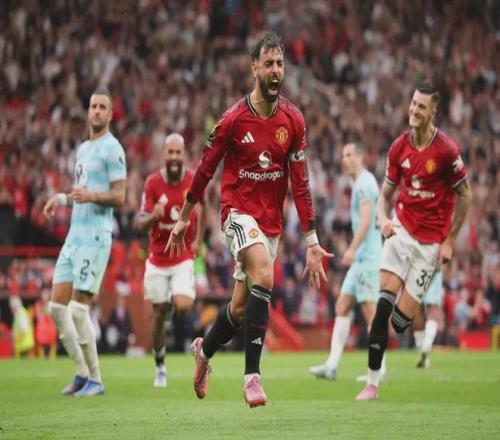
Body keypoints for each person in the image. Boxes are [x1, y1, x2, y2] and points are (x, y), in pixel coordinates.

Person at [166, 32, 332, 408]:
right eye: (268, 63)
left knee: (239, 310)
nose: (275, 71)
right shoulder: (232, 120)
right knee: (265, 275)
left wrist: (312, 240)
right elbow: (204, 170)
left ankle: (204, 352)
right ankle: (252, 378)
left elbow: (301, 183)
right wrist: (184, 217)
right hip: (237, 214)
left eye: (280, 64)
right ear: (253, 67)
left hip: (270, 224)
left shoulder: (294, 120)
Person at [356, 84, 471, 400]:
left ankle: (407, 324)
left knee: (400, 322)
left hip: (431, 244)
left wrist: (449, 242)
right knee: (382, 306)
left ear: (433, 112)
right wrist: (383, 218)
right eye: (413, 104)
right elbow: (384, 196)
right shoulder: (398, 148)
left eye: (421, 106)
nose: (414, 110)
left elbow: (465, 195)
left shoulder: (446, 151)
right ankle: (372, 383)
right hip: (401, 231)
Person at [43, 89, 127, 397]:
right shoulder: (83, 149)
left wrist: (90, 196)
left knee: (78, 310)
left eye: (103, 107)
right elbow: (81, 192)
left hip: (95, 237)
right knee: (56, 307)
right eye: (93, 106)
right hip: (74, 236)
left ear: (110, 114)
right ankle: (81, 372)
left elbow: (120, 196)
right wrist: (63, 199)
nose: (97, 111)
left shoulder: (113, 148)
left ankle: (97, 379)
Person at [309, 142, 384, 380]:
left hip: (367, 257)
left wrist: (351, 249)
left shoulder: (364, 183)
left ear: (361, 158)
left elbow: (366, 219)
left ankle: (380, 369)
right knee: (342, 306)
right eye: (343, 155)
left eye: (350, 155)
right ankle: (331, 366)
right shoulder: (360, 183)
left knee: (370, 312)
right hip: (362, 257)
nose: (345, 159)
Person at [137, 133, 203, 388]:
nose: (174, 157)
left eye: (178, 152)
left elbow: (203, 207)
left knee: (183, 304)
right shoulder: (152, 183)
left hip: (182, 254)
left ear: (183, 154)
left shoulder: (192, 180)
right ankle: (160, 367)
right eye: (170, 152)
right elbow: (140, 224)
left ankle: (173, 302)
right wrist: (153, 216)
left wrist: (197, 239)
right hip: (157, 257)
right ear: (163, 154)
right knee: (157, 314)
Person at [413, 271, 444, 368]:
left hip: (416, 271)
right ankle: (426, 345)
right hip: (433, 269)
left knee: (417, 310)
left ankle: (422, 353)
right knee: (432, 310)